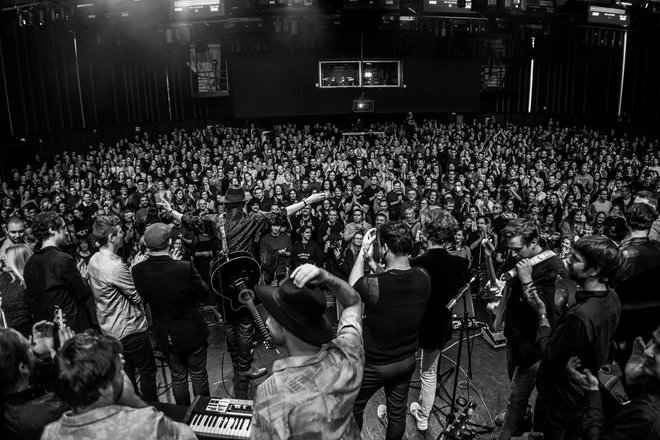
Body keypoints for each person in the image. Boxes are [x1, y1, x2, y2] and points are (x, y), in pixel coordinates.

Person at [158, 186, 324, 397]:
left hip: (221, 281)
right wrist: (307, 200)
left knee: (228, 322)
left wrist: (171, 210)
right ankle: (244, 366)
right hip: (244, 279)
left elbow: (188, 220)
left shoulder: (212, 220)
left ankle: (238, 364)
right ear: (243, 204)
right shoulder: (252, 220)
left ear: (226, 205)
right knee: (245, 323)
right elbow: (282, 213)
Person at [250, 264, 364, 438]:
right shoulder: (347, 356)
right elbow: (354, 302)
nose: (266, 321)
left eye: (272, 315)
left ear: (285, 327)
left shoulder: (272, 395)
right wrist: (326, 277)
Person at [526, 235, 621, 440]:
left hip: (558, 401)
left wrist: (542, 313)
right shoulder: (612, 298)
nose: (567, 259)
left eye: (576, 258)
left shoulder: (579, 316)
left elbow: (549, 351)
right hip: (581, 397)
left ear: (595, 270)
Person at [350, 222, 431, 440]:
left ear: (384, 247)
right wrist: (372, 264)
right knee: (397, 414)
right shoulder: (423, 276)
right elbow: (394, 279)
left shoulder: (374, 285)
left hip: (375, 365)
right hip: (405, 361)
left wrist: (361, 254)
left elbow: (354, 287)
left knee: (353, 407)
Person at [41, 332, 196, 440]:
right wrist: (135, 401)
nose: (123, 374)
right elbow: (187, 435)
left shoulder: (50, 433)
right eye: (119, 370)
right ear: (105, 388)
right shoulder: (145, 424)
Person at [497, 218, 567, 440]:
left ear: (534, 241)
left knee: (516, 395)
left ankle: (508, 431)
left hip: (532, 344)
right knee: (514, 386)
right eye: (511, 249)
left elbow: (547, 310)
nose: (514, 254)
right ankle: (523, 414)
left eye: (518, 249)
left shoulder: (554, 266)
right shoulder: (519, 254)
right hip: (514, 334)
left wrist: (527, 280)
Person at [131, 223, 210, 406]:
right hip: (190, 331)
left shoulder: (137, 270)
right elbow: (203, 292)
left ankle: (183, 414)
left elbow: (143, 298)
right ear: (170, 241)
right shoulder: (183, 267)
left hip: (164, 334)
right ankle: (203, 416)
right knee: (198, 376)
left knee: (178, 377)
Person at [408, 209, 472, 431]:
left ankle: (395, 409)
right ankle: (424, 417)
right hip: (439, 324)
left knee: (405, 367)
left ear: (425, 232)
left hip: (414, 324)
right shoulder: (460, 264)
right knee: (429, 372)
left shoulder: (415, 263)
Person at [88, 215, 157, 402]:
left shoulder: (94, 259)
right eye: (119, 232)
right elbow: (137, 297)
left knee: (127, 374)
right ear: (111, 237)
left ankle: (132, 406)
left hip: (110, 328)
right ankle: (150, 408)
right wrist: (136, 268)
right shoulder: (116, 266)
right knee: (147, 371)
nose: (123, 234)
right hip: (129, 329)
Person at [568, 327, 660, 440]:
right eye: (653, 340)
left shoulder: (645, 417)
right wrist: (632, 382)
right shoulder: (651, 394)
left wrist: (593, 393)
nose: (647, 351)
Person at [24, 212, 97, 333]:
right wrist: (82, 278)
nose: (66, 232)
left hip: (47, 330)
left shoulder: (30, 263)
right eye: (63, 228)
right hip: (71, 328)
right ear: (52, 229)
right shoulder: (62, 259)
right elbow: (83, 293)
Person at [0, 321, 72, 440]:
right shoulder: (54, 412)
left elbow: (30, 394)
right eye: (28, 347)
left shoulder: (8, 409)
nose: (31, 347)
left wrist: (43, 358)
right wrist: (70, 366)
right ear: (23, 367)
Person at [0, 244, 33, 336]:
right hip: (17, 330)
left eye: (7, 258)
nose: (3, 259)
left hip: (22, 329)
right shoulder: (6, 279)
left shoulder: (10, 280)